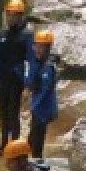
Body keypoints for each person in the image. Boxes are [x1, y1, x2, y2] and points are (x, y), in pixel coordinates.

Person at [0, 0, 35, 156]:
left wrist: (28, 85)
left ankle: (14, 146)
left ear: (20, 16)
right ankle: (3, 145)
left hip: (17, 80)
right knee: (3, 114)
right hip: (2, 80)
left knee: (13, 114)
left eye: (14, 15)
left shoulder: (27, 35)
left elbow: (31, 61)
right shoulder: (3, 35)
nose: (10, 18)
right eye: (8, 14)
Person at [25, 29, 59, 160]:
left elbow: (44, 92)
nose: (38, 50)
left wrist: (32, 108)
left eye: (42, 47)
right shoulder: (37, 62)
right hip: (37, 107)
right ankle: (27, 161)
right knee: (31, 139)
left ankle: (37, 164)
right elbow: (30, 80)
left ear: (48, 48)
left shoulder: (48, 67)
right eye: (37, 46)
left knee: (37, 143)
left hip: (43, 109)